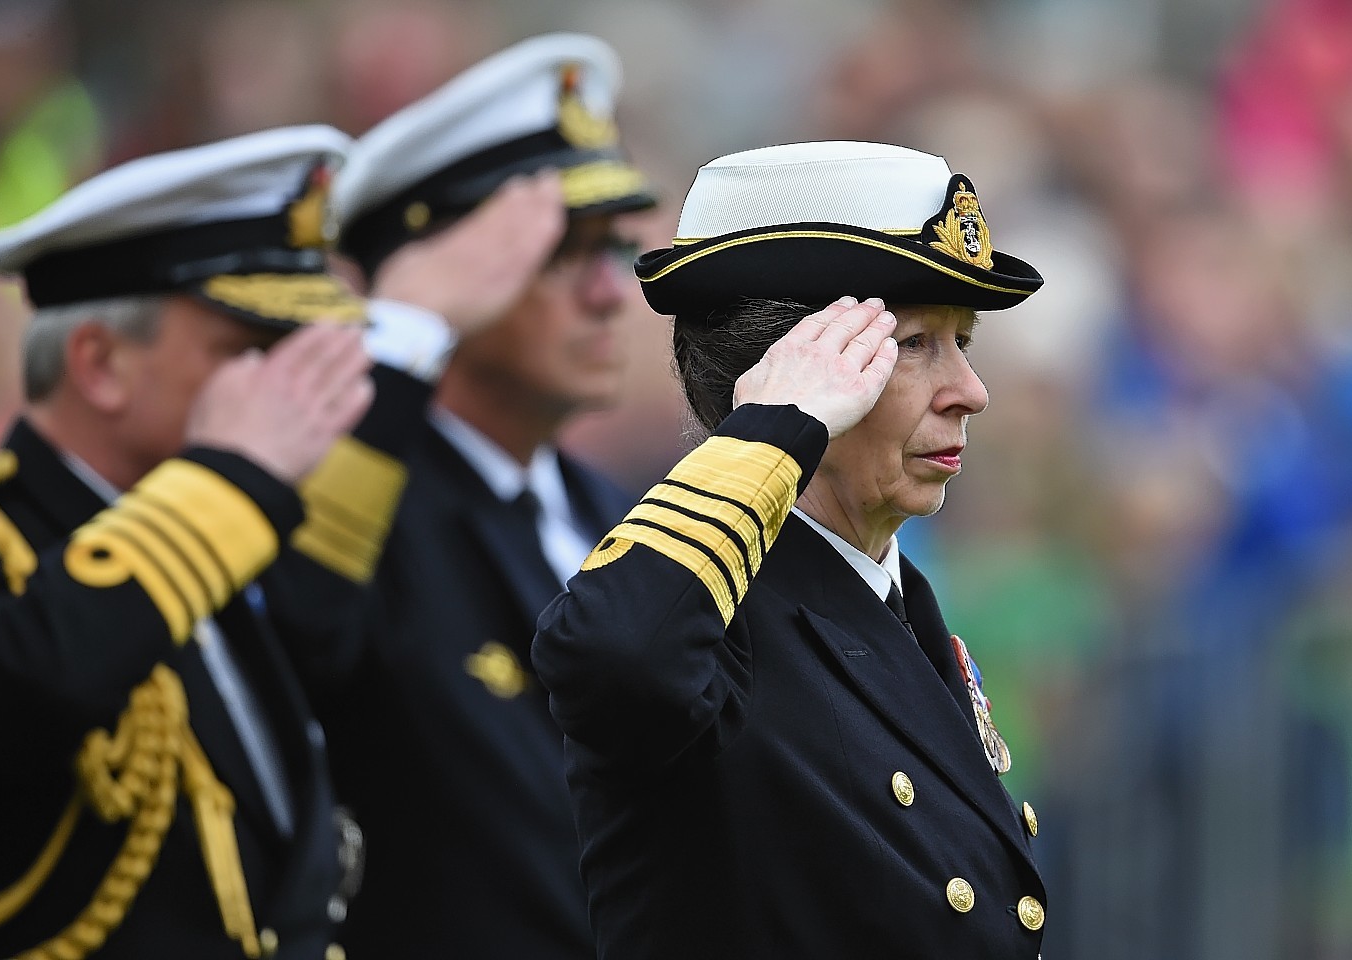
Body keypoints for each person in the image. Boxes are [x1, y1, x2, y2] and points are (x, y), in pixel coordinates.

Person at [531, 141, 1050, 958]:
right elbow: (610, 656)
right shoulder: (711, 616)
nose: (969, 392)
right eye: (913, 344)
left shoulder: (894, 605)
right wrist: (772, 433)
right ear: (797, 374)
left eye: (964, 342)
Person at [0, 126, 389, 960]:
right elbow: (19, 685)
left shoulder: (237, 537)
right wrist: (230, 477)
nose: (293, 390)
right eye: (251, 351)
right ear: (99, 364)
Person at [315, 33, 656, 958]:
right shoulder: (359, 513)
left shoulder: (619, 513)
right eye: (558, 254)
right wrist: (406, 326)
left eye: (614, 250)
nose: (607, 293)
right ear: (448, 278)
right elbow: (302, 634)